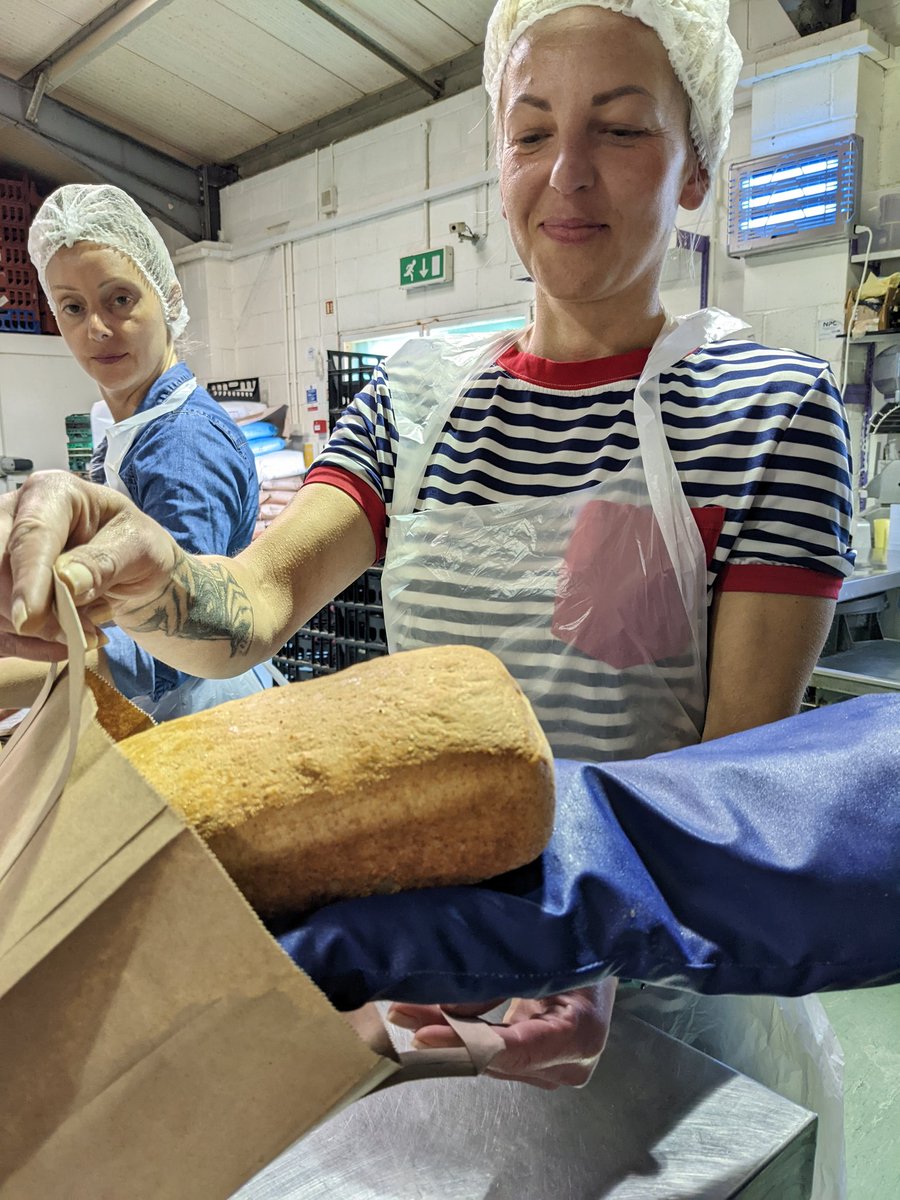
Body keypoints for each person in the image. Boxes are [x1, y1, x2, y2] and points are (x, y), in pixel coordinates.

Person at [0, 1, 854, 1190]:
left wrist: (595, 950)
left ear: (698, 166)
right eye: (530, 131)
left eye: (619, 128)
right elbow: (254, 604)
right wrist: (157, 580)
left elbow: (729, 796)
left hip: (666, 1004)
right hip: (448, 979)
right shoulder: (416, 401)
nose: (566, 172)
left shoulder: (774, 415)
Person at [0, 183, 271, 721]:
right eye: (73, 307)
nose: (96, 328)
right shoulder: (132, 430)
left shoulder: (183, 442)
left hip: (202, 715)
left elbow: (181, 640)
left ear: (167, 298)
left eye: (119, 299)